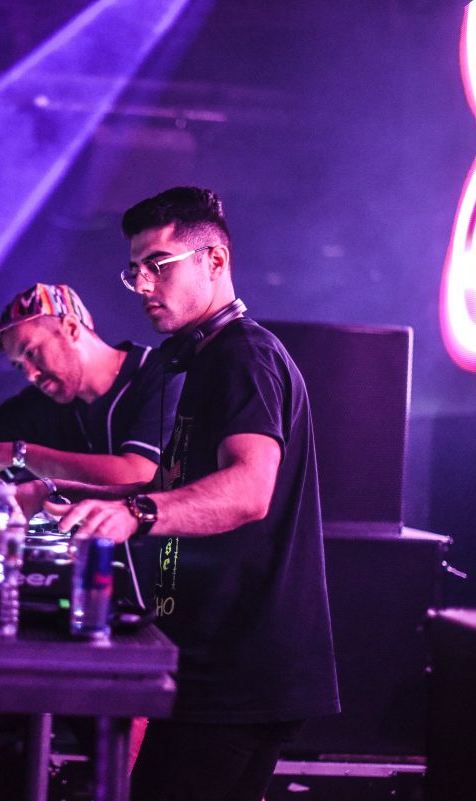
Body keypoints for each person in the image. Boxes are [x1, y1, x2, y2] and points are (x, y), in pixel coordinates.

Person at [42, 187, 340, 801]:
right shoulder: (205, 361)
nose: (144, 284)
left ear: (215, 261)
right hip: (216, 664)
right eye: (135, 271)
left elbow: (249, 490)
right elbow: (180, 486)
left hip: (238, 670)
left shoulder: (244, 355)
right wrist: (59, 494)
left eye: (159, 265)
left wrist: (136, 513)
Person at [0, 282, 180, 512]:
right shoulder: (46, 399)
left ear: (70, 328)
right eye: (19, 365)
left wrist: (19, 454)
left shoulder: (160, 374)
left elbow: (137, 477)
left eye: (31, 352)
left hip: (162, 574)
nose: (29, 373)